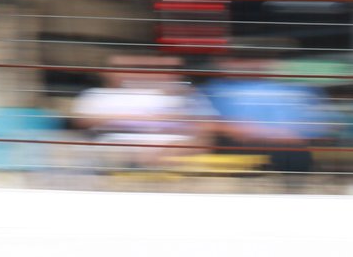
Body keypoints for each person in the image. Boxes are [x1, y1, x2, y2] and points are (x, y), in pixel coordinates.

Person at [68, 55, 210, 175]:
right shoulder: (96, 95)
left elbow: (201, 132)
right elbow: (82, 121)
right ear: (105, 73)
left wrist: (170, 150)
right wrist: (135, 119)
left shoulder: (180, 96)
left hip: (172, 156)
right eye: (121, 69)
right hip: (117, 154)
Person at [203, 56, 332, 183]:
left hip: (288, 151)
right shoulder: (217, 89)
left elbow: (321, 126)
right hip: (244, 150)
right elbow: (205, 123)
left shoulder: (297, 88)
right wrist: (249, 130)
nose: (252, 65)